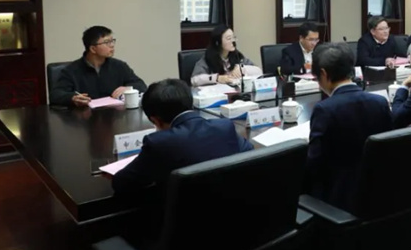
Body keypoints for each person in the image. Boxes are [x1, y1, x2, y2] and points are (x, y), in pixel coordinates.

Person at [112, 79, 252, 194]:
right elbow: (249, 152)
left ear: (156, 120)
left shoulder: (159, 143)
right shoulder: (224, 127)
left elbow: (121, 183)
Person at [307, 43, 393, 212]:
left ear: (323, 74)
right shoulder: (380, 102)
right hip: (378, 191)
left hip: (338, 197)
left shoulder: (325, 109)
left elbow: (314, 164)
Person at [49, 25, 147, 107]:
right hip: (84, 120)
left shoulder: (119, 66)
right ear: (93, 49)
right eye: (107, 42)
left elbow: (141, 85)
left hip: (114, 118)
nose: (112, 45)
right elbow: (56, 94)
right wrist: (72, 98)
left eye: (112, 41)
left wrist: (128, 88)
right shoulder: (72, 70)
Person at [190, 25, 262, 86]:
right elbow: (194, 80)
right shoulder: (208, 59)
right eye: (229, 38)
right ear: (218, 42)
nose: (233, 41)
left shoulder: (236, 56)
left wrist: (242, 69)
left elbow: (259, 71)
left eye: (233, 38)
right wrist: (217, 78)